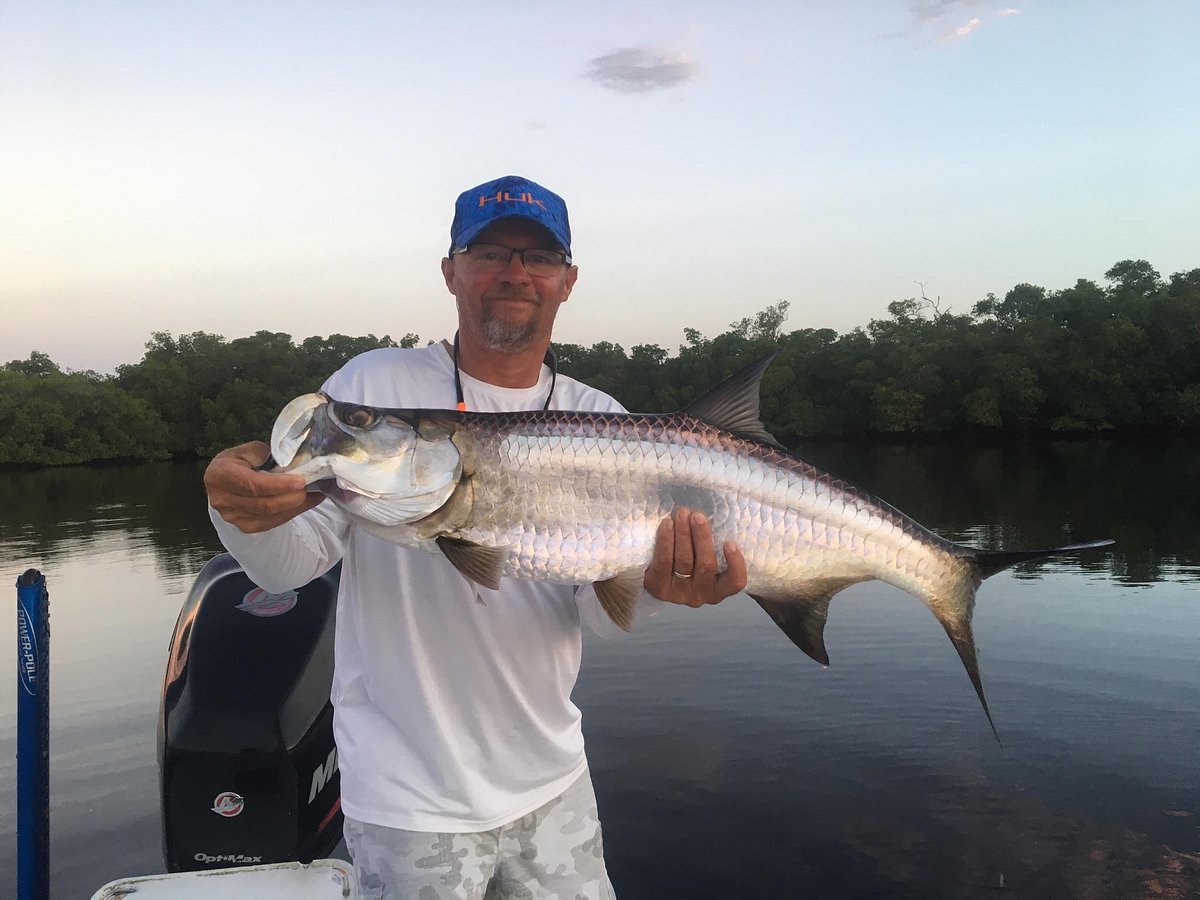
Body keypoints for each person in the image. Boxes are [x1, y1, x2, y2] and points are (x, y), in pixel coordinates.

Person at [204, 175, 748, 899]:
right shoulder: (376, 387)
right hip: (407, 800)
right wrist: (234, 509)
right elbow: (291, 565)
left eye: (538, 257)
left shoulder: (604, 420)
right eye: (489, 252)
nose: (515, 273)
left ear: (567, 281)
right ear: (450, 270)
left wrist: (656, 589)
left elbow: (595, 612)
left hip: (553, 782)